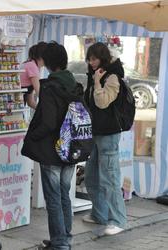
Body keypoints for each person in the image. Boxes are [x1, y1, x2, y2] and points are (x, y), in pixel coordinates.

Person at [22, 41, 79, 250]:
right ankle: (65, 238)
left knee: (53, 197)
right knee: (64, 194)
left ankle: (60, 243)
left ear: (47, 62)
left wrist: (33, 136)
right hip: (71, 149)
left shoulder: (49, 87)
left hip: (52, 150)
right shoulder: (74, 84)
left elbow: (47, 122)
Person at [83, 42, 127, 235]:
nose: (91, 62)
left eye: (94, 58)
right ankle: (99, 214)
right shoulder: (96, 75)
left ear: (103, 58)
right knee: (92, 177)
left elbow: (102, 103)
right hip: (96, 132)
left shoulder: (112, 78)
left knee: (109, 178)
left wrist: (98, 82)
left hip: (109, 134)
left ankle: (117, 219)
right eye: (89, 59)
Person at [20, 42, 47, 109]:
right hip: (14, 103)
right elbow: (39, 93)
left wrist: (41, 111)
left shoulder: (32, 65)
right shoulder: (32, 67)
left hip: (18, 105)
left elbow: (30, 102)